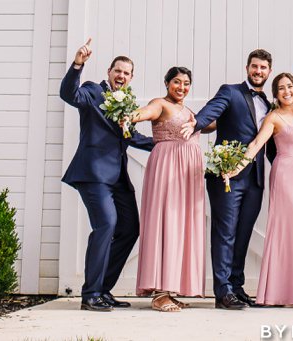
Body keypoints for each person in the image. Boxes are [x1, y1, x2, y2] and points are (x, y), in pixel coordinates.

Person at [59, 41, 155, 313]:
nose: (122, 76)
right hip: (93, 174)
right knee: (106, 225)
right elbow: (69, 95)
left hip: (118, 178)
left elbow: (132, 137)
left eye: (127, 73)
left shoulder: (127, 104)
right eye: (118, 71)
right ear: (109, 71)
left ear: (131, 77)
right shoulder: (92, 91)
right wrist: (78, 64)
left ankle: (103, 290)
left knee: (130, 228)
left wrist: (166, 143)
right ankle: (90, 295)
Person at [226, 44, 293, 306]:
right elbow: (256, 145)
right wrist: (236, 167)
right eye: (282, 88)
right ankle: (280, 291)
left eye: (290, 86)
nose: (288, 91)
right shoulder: (273, 117)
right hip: (285, 176)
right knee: (285, 230)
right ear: (275, 94)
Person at [193, 49, 275, 310]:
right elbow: (211, 111)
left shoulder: (269, 105)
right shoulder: (230, 91)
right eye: (255, 66)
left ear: (269, 71)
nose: (258, 71)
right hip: (227, 175)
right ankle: (223, 290)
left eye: (263, 68)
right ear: (247, 68)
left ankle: (237, 286)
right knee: (224, 233)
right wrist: (195, 122)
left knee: (242, 234)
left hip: (256, 179)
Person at [131, 66, 205, 312]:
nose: (181, 87)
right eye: (176, 82)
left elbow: (213, 122)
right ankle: (159, 293)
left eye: (186, 83)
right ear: (166, 83)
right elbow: (145, 112)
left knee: (182, 226)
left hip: (188, 175)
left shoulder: (190, 112)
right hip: (167, 169)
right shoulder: (160, 104)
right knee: (166, 223)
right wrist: (133, 115)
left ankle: (171, 289)